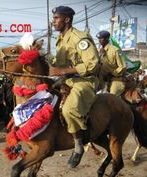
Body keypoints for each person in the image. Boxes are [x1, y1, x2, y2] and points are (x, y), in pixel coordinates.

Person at [49, 6, 99, 168]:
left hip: (84, 80)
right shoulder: (61, 39)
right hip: (66, 80)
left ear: (67, 19)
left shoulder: (80, 38)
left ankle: (78, 146)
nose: (53, 21)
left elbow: (92, 64)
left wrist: (61, 71)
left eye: (56, 18)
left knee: (68, 109)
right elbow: (58, 63)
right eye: (54, 18)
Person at [97, 30, 126, 96]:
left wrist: (113, 73)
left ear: (107, 38)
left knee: (110, 98)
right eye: (99, 39)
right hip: (102, 80)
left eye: (101, 38)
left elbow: (122, 66)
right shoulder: (99, 51)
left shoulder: (114, 50)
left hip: (115, 80)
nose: (100, 40)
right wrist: (100, 55)